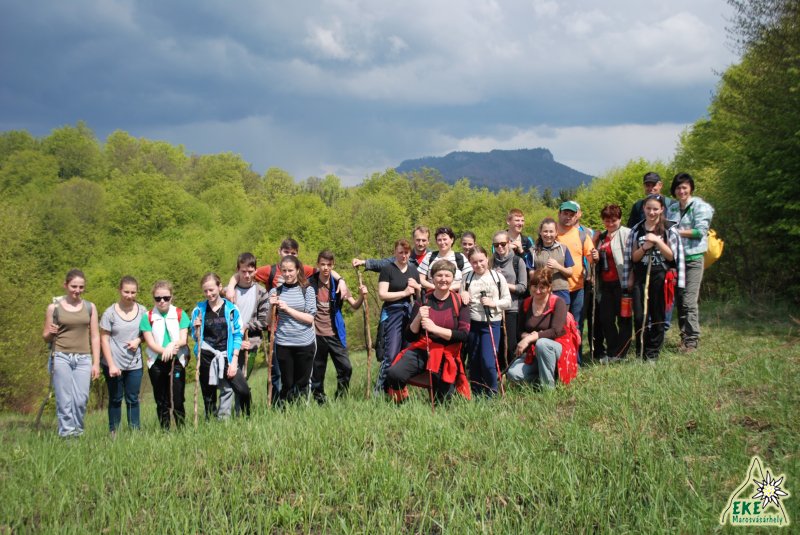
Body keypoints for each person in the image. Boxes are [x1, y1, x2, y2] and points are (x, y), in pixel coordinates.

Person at [385, 260, 471, 403]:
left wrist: (434, 329)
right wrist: (418, 317)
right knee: (395, 374)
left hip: (447, 354)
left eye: (447, 276)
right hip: (424, 349)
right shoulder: (423, 301)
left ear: (453, 278)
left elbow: (463, 336)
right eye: (439, 275)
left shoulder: (460, 302)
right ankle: (401, 403)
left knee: (442, 401)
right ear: (432, 278)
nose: (443, 279)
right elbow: (410, 336)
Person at [623, 194, 685, 361]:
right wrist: (645, 246)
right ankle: (641, 350)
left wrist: (658, 242)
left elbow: (672, 256)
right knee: (639, 315)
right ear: (644, 208)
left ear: (661, 210)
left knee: (657, 315)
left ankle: (653, 353)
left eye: (655, 209)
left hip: (660, 276)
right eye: (648, 208)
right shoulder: (637, 230)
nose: (651, 212)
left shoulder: (668, 229)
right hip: (640, 277)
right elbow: (633, 257)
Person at [41, 269, 100, 438]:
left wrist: (96, 363)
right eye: (74, 286)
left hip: (83, 358)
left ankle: (78, 432)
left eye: (81, 287)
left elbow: (95, 336)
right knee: (64, 400)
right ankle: (67, 435)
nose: (77, 290)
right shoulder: (54, 308)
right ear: (65, 285)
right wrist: (51, 332)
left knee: (81, 400)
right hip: (60, 356)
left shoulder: (90, 307)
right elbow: (46, 337)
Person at [309, 250, 367, 403]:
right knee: (317, 373)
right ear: (318, 265)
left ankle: (341, 398)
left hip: (335, 333)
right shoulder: (310, 283)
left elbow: (354, 305)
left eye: (329, 265)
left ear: (333, 265)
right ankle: (320, 401)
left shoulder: (338, 284)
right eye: (322, 264)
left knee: (346, 368)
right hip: (316, 335)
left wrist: (361, 295)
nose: (325, 268)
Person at [666, 172, 714, 353]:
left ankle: (692, 340)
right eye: (678, 187)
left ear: (691, 188)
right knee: (679, 299)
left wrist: (677, 232)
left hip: (693, 258)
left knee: (689, 300)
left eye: (684, 187)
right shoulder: (672, 208)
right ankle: (684, 338)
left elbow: (700, 231)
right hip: (677, 260)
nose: (681, 191)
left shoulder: (700, 207)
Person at [191, 273, 249, 419]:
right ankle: (214, 422)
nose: (209, 294)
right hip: (206, 355)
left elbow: (237, 334)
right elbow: (195, 336)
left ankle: (247, 416)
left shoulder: (231, 309)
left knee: (243, 390)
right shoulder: (198, 310)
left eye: (211, 290)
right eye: (205, 291)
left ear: (219, 287)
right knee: (209, 394)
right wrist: (196, 328)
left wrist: (234, 359)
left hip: (226, 355)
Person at [507, 268, 571, 388]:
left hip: (556, 348)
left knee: (542, 344)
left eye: (542, 287)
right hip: (533, 352)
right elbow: (519, 331)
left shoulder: (558, 302)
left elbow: (556, 331)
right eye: (534, 286)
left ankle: (548, 388)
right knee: (513, 374)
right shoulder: (525, 304)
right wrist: (526, 337)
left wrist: (531, 338)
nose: (537, 291)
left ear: (549, 288)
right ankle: (544, 378)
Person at [99, 276, 146, 435]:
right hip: (113, 363)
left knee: (133, 398)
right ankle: (114, 432)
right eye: (126, 291)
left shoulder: (143, 311)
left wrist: (138, 340)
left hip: (134, 364)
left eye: (133, 292)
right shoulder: (110, 313)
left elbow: (148, 334)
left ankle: (135, 432)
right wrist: (111, 364)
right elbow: (103, 339)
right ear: (120, 290)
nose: (129, 295)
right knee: (115, 398)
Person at [141, 280, 191, 429]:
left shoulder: (180, 314)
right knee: (161, 399)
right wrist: (165, 351)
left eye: (166, 298)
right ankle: (165, 431)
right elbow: (150, 343)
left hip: (176, 360)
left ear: (171, 297)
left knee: (177, 397)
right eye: (158, 298)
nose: (162, 301)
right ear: (154, 299)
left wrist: (172, 346)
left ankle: (182, 428)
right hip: (156, 362)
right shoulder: (147, 317)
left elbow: (183, 339)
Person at [461, 246, 511, 396]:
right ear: (470, 262)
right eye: (474, 262)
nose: (478, 265)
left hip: (491, 323)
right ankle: (477, 392)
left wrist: (493, 303)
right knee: (474, 359)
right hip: (473, 323)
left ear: (487, 258)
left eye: (481, 261)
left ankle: (492, 392)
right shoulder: (467, 277)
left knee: (488, 360)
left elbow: (507, 301)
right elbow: (461, 298)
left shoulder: (497, 277)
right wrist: (462, 295)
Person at [268, 256, 317, 404]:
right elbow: (268, 321)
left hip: (304, 342)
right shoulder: (275, 291)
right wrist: (271, 306)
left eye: (291, 270)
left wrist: (287, 309)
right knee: (287, 382)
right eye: (284, 271)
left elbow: (310, 318)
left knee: (302, 382)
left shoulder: (307, 290)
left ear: (297, 270)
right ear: (280, 271)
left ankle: (302, 410)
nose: (287, 274)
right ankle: (285, 412)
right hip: (284, 343)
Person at [374, 239, 422, 394]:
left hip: (409, 312)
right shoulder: (388, 269)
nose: (403, 256)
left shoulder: (414, 270)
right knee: (391, 353)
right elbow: (382, 295)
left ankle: (398, 391)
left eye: (406, 252)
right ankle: (380, 391)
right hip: (392, 312)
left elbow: (419, 296)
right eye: (400, 252)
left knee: (405, 353)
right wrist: (404, 292)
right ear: (395, 252)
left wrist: (417, 288)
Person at [592, 205, 632, 362]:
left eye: (613, 220)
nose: (610, 223)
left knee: (624, 318)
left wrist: (631, 278)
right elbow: (595, 261)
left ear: (620, 219)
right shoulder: (602, 237)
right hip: (606, 284)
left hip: (622, 283)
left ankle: (621, 353)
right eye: (607, 220)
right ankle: (613, 350)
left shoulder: (627, 234)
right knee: (606, 318)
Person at [556, 201, 595, 364]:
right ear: (559, 214)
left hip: (577, 288)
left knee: (576, 325)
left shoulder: (581, 235)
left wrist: (595, 258)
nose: (568, 217)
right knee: (558, 326)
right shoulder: (553, 233)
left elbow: (590, 257)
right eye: (565, 213)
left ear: (575, 216)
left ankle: (575, 360)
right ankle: (560, 359)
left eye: (571, 214)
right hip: (556, 288)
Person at [230, 253, 269, 411]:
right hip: (231, 344)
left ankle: (244, 413)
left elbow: (264, 321)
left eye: (250, 271)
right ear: (238, 270)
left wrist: (247, 326)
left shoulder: (261, 292)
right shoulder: (230, 293)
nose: (247, 275)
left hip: (250, 343)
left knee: (243, 379)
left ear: (255, 271)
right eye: (243, 271)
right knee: (231, 380)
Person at [491, 230, 528, 371]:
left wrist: (503, 283)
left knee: (511, 343)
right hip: (495, 308)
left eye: (503, 244)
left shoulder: (518, 261)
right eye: (496, 245)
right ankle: (500, 373)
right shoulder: (490, 261)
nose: (500, 247)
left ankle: (513, 371)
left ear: (509, 243)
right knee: (498, 343)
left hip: (512, 308)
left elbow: (523, 287)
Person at [532, 217, 575, 305]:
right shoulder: (532, 251)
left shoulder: (564, 249)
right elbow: (531, 275)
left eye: (551, 231)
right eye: (545, 231)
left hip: (561, 292)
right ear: (540, 232)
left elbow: (570, 273)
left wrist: (558, 266)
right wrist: (543, 272)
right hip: (541, 292)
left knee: (561, 318)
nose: (548, 234)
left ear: (556, 233)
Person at [351, 226, 432, 271]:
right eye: (418, 240)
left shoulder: (433, 258)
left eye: (424, 240)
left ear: (428, 241)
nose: (421, 243)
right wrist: (363, 262)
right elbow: (383, 264)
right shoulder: (405, 256)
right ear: (413, 240)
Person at [418, 226, 473, 291]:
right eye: (439, 240)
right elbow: (420, 279)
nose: (442, 242)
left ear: (452, 240)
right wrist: (435, 287)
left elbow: (469, 279)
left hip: (456, 297)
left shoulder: (460, 258)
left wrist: (450, 288)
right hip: (432, 296)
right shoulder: (429, 256)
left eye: (444, 239)